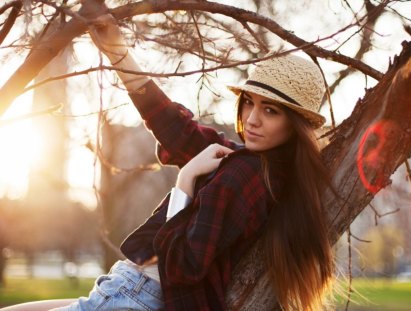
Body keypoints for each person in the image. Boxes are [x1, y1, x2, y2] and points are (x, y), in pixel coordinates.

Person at [3, 15, 334, 311]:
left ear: (296, 125)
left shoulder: (245, 176)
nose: (252, 119)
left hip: (140, 295)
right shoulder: (246, 163)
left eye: (270, 110)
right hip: (129, 289)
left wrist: (185, 181)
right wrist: (117, 51)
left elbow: (182, 264)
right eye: (249, 103)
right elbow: (175, 128)